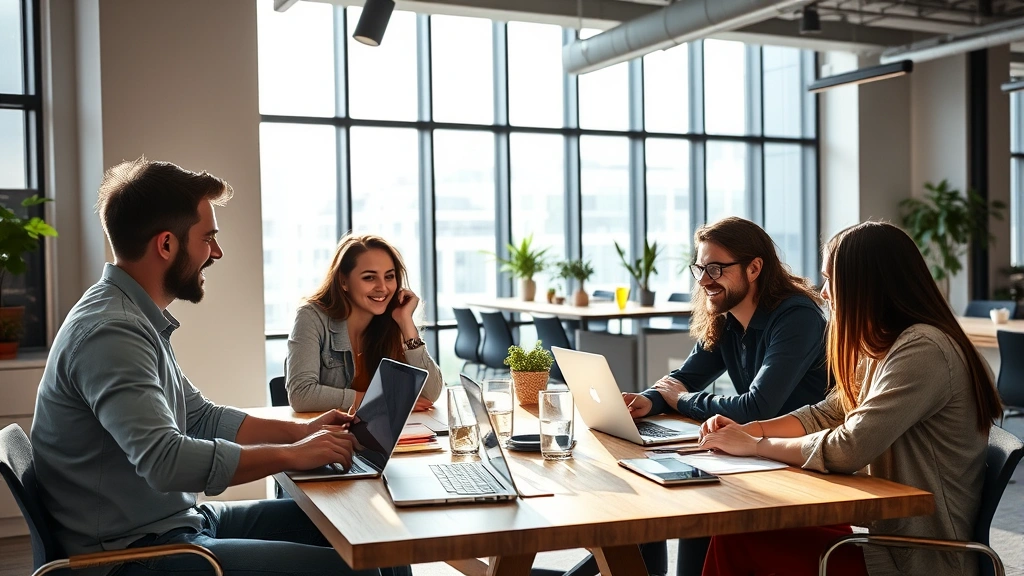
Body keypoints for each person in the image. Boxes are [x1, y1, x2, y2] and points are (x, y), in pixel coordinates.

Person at [31, 158, 380, 576]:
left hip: (171, 525)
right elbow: (166, 461)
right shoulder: (113, 332)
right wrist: (293, 454)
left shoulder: (131, 316)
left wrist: (303, 432)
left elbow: (199, 417)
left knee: (373, 537)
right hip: (136, 554)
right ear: (166, 245)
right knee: (357, 568)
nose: (216, 252)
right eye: (208, 238)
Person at [698, 221, 1003, 576]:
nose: (824, 292)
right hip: (881, 535)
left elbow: (849, 446)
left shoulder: (923, 349)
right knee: (738, 526)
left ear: (865, 284)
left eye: (831, 279)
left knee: (736, 540)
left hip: (916, 558)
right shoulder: (881, 347)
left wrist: (756, 445)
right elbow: (827, 413)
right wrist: (749, 430)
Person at [621, 216, 830, 576]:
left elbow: (757, 406)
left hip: (801, 464)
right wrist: (649, 399)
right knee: (652, 495)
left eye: (715, 269)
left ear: (754, 268)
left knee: (692, 497)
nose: (703, 280)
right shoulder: (727, 316)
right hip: (753, 454)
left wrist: (682, 401)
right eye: (700, 268)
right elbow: (685, 378)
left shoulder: (797, 317)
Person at [286, 234, 444, 414]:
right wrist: (381, 400)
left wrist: (406, 322)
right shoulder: (311, 317)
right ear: (343, 281)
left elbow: (430, 393)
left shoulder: (392, 320)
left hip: (384, 436)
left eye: (389, 276)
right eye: (369, 278)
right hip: (331, 437)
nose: (383, 288)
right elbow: (301, 395)